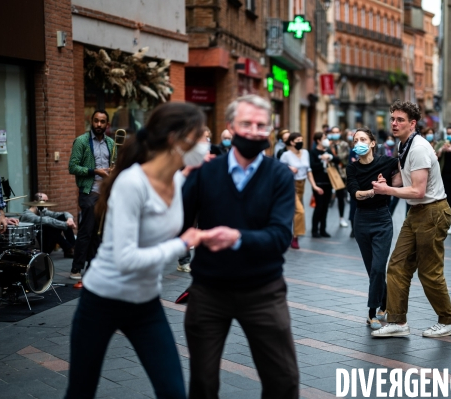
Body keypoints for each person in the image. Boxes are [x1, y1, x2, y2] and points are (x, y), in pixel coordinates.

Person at [65, 102, 206, 399]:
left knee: (174, 393)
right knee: (80, 392)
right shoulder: (133, 183)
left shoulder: (180, 182)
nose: (205, 143)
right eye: (199, 137)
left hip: (145, 304)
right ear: (174, 139)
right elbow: (126, 259)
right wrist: (182, 244)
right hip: (101, 301)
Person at [182, 94, 299, 399]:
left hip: (263, 291)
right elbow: (176, 224)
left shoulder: (279, 176)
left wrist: (238, 238)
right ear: (231, 126)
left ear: (270, 129)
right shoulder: (205, 172)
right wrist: (182, 175)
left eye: (261, 125)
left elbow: (279, 238)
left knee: (283, 381)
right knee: (203, 383)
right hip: (208, 291)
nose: (253, 130)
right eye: (246, 123)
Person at [371, 100, 451, 338]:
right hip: (417, 212)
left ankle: (448, 320)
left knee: (429, 272)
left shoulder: (418, 147)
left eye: (399, 120)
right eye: (392, 119)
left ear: (412, 123)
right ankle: (398, 322)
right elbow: (405, 181)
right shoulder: (405, 145)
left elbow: (418, 190)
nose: (394, 123)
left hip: (432, 211)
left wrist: (387, 191)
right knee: (397, 265)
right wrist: (387, 182)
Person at [346, 127, 400, 330]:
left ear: (372, 143)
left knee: (379, 267)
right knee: (373, 270)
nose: (358, 143)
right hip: (361, 220)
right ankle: (384, 302)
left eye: (362, 139)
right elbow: (355, 193)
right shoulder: (352, 168)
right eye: (355, 140)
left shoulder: (386, 162)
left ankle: (372, 312)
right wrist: (374, 190)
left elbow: (407, 164)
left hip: (382, 219)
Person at [68, 109, 115, 280]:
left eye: (102, 122)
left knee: (100, 233)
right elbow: (72, 167)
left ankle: (93, 266)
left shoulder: (111, 143)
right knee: (86, 231)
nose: (99, 125)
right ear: (91, 122)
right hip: (89, 192)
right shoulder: (81, 141)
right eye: (96, 121)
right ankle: (76, 269)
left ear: (107, 124)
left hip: (105, 194)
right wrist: (94, 171)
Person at [280, 132, 323, 247]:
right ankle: (295, 237)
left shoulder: (305, 153)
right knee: (300, 211)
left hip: (302, 185)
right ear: (292, 142)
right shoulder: (286, 155)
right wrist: (289, 168)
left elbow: (308, 170)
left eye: (301, 139)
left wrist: (314, 186)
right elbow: (279, 171)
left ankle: (288, 234)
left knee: (293, 212)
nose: (300, 142)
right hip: (290, 185)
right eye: (298, 140)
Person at [309, 132, 334, 238]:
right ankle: (314, 230)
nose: (326, 140)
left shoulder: (328, 150)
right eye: (324, 138)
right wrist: (322, 161)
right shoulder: (313, 152)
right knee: (319, 206)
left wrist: (330, 157)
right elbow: (312, 166)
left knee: (325, 207)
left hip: (328, 182)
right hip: (318, 183)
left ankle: (323, 229)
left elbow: (336, 161)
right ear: (318, 140)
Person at [329, 126, 351, 228]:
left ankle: (341, 218)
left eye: (337, 132)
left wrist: (331, 157)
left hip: (341, 173)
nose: (335, 134)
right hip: (330, 173)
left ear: (340, 132)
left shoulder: (344, 144)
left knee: (340, 197)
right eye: (333, 132)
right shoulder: (328, 145)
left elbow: (343, 158)